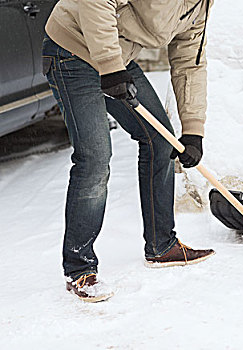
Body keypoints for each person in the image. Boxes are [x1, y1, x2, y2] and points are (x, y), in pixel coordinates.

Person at [42, 0, 215, 303]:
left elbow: (190, 62)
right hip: (72, 49)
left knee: (161, 141)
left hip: (117, 57)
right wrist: (111, 67)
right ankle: (79, 268)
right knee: (94, 159)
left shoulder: (200, 7)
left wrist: (193, 130)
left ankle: (162, 245)